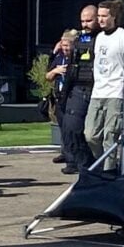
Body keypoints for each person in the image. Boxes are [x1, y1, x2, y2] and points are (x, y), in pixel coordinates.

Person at [84, 0, 124, 170]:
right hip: (98, 91)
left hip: (116, 92)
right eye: (98, 16)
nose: (100, 20)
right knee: (90, 135)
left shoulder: (123, 36)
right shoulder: (99, 38)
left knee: (110, 135)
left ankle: (109, 172)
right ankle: (101, 163)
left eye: (104, 16)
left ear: (114, 16)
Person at [61, 4, 101, 173]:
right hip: (76, 88)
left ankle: (98, 167)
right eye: (82, 21)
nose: (85, 24)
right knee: (70, 129)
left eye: (89, 20)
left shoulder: (105, 38)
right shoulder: (78, 40)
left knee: (92, 134)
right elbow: (71, 64)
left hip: (97, 89)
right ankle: (83, 165)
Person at [46, 29, 78, 172]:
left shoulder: (77, 58)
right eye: (63, 45)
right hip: (59, 97)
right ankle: (66, 153)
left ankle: (72, 161)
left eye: (68, 46)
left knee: (70, 129)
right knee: (63, 128)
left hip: (72, 97)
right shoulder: (59, 57)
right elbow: (47, 76)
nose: (65, 49)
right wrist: (55, 71)